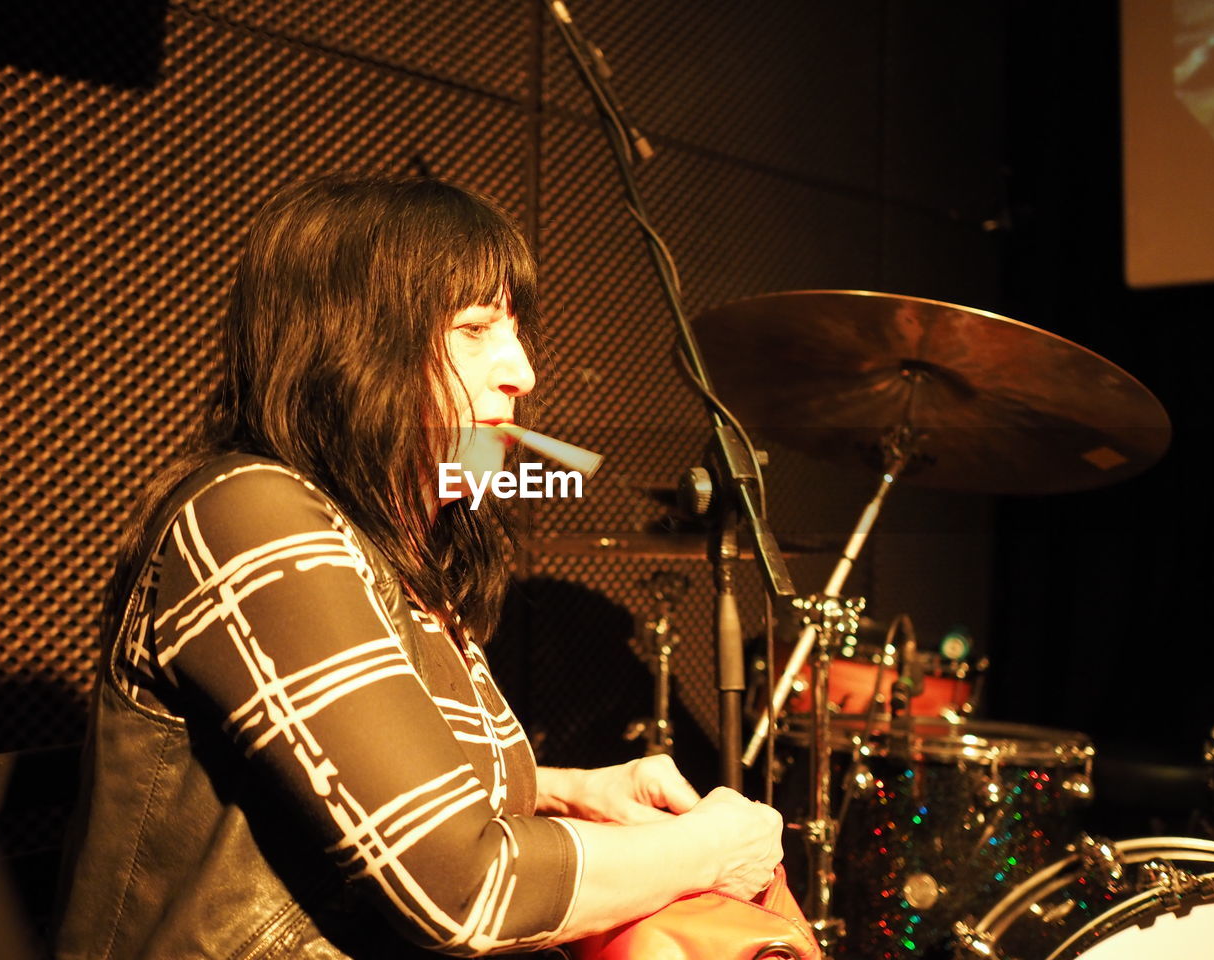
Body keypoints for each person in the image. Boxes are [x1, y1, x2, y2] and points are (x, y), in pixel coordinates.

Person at [53, 175, 784, 959]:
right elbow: (464, 890)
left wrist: (571, 788)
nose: (522, 372)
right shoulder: (250, 515)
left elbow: (372, 783)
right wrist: (711, 849)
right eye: (475, 329)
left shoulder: (398, 547)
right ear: (351, 340)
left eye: (514, 330)